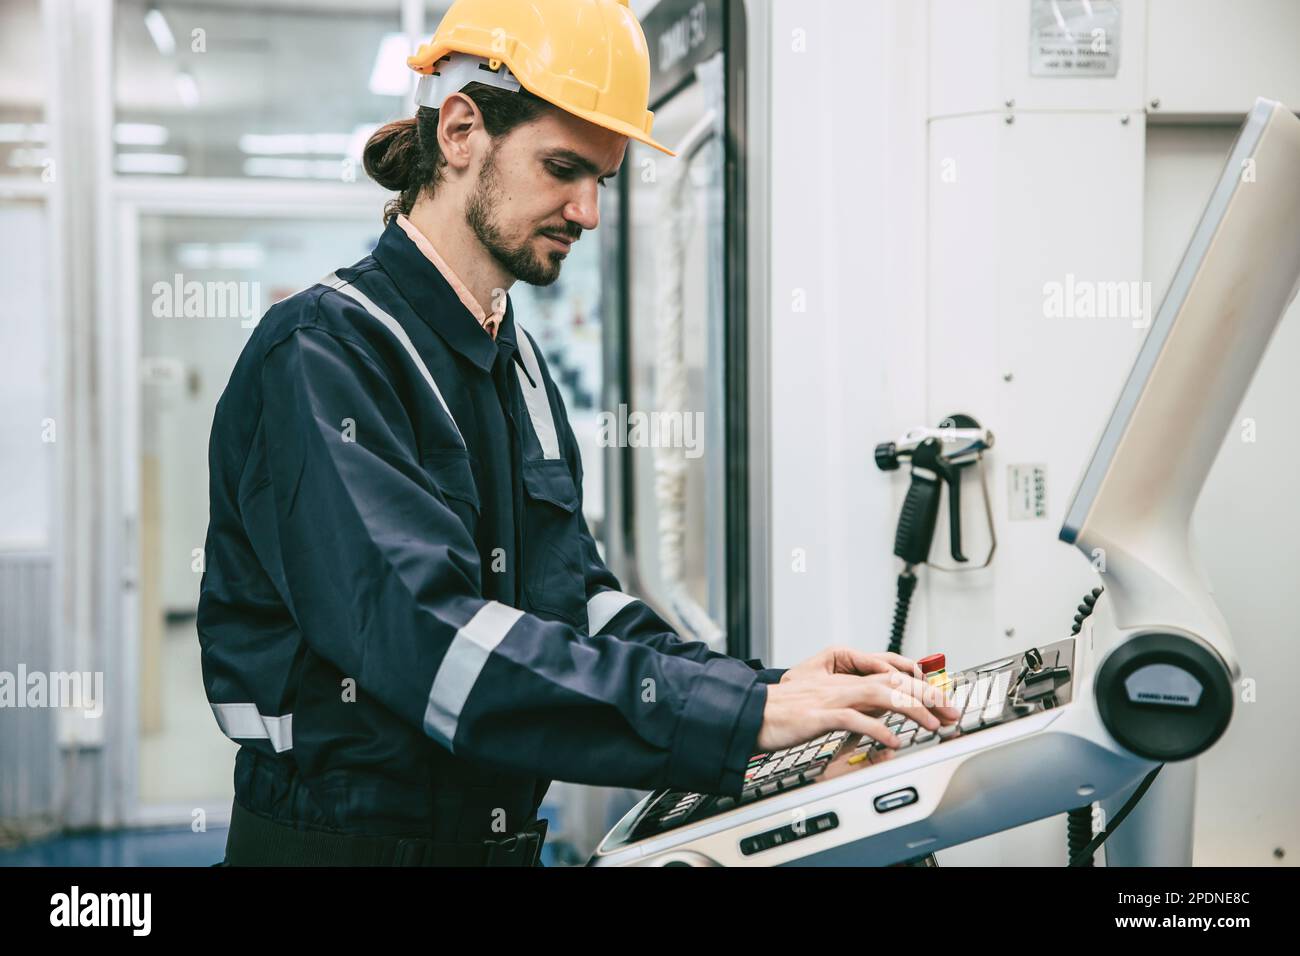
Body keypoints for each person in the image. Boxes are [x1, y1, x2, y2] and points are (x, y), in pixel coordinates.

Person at [198, 0, 958, 867]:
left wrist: (765, 689)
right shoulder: (324, 355)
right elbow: (429, 645)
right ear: (459, 131)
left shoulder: (510, 356)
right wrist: (738, 721)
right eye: (563, 168)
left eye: (602, 178)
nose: (588, 213)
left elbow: (577, 605)